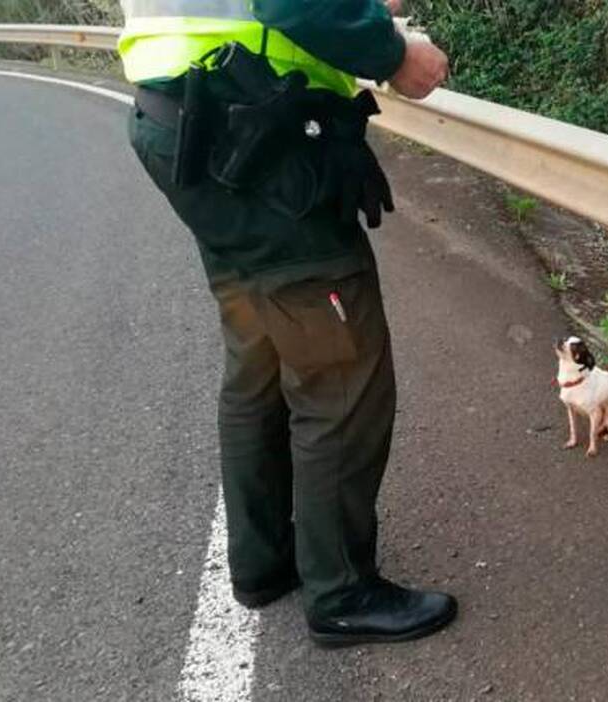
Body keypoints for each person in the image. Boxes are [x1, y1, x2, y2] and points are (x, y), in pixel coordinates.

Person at [118, 0, 456, 647]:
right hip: (254, 136)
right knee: (338, 371)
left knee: (260, 351)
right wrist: (392, 53)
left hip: (188, 123)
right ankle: (342, 593)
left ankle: (264, 560)